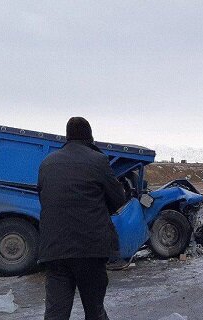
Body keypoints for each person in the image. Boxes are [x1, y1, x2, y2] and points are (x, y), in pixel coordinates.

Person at [38, 117, 127, 320]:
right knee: (94, 311)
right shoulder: (98, 160)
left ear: (67, 136)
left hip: (54, 250)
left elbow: (45, 199)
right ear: (90, 136)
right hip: (90, 249)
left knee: (56, 314)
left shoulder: (47, 163)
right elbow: (118, 199)